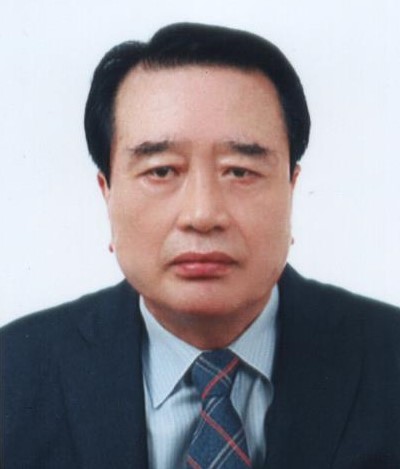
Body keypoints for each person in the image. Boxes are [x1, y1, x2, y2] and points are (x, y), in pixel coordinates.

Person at [1, 22, 400, 469]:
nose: (203, 214)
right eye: (162, 171)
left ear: (291, 187)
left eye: (240, 172)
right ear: (107, 192)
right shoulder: (13, 373)